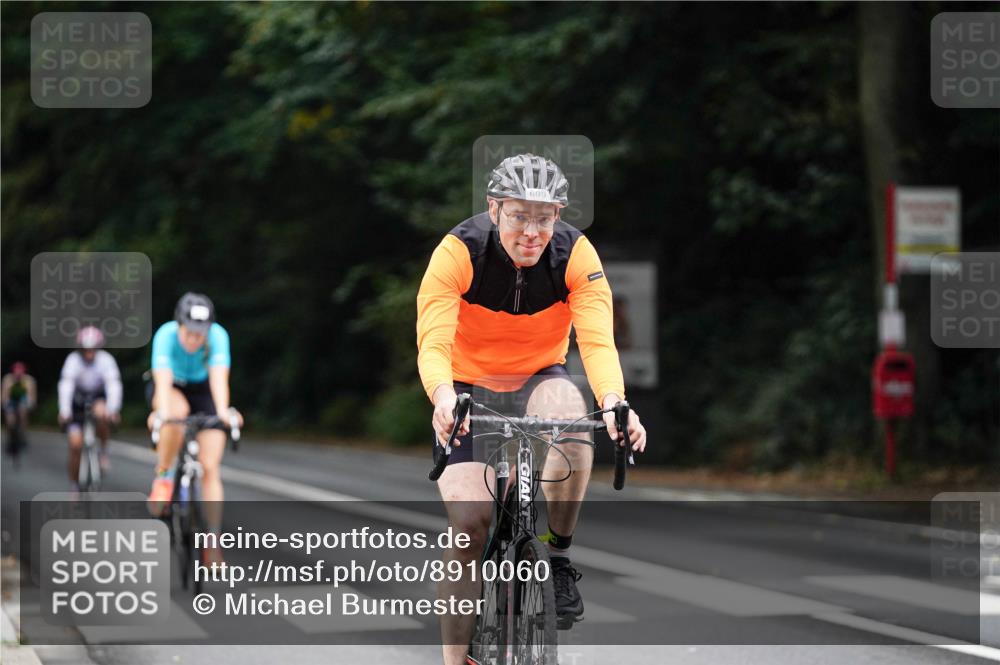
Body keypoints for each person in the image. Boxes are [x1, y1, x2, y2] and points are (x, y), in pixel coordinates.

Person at [417, 153, 646, 664]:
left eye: (545, 218)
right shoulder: (459, 252)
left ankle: (558, 557)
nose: (532, 231)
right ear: (494, 208)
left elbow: (598, 343)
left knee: (574, 414)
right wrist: (441, 396)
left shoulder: (575, 256)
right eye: (520, 215)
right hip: (466, 385)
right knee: (470, 526)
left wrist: (614, 402)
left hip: (539, 375)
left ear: (558, 216)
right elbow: (432, 340)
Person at [146, 292, 242, 565]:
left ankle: (212, 543)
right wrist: (161, 414)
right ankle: (164, 477)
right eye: (190, 333)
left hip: (203, 391)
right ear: (180, 325)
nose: (195, 339)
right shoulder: (165, 335)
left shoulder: (218, 336)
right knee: (175, 414)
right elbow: (162, 382)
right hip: (172, 388)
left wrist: (224, 413)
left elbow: (219, 380)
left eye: (201, 334)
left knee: (210, 467)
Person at [58, 327, 123, 489]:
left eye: (93, 349)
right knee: (75, 445)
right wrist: (65, 411)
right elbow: (66, 386)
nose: (89, 353)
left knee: (103, 413)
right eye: (85, 350)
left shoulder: (106, 360)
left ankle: (103, 450)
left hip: (97, 399)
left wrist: (113, 409)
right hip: (77, 403)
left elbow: (113, 385)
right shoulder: (72, 360)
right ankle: (74, 484)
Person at [2, 362, 37, 462]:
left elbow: (32, 397)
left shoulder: (29, 380)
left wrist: (30, 405)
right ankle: (10, 435)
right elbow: (4, 396)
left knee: (23, 412)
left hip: (24, 402)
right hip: (11, 402)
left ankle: (22, 432)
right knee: (10, 420)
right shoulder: (7, 379)